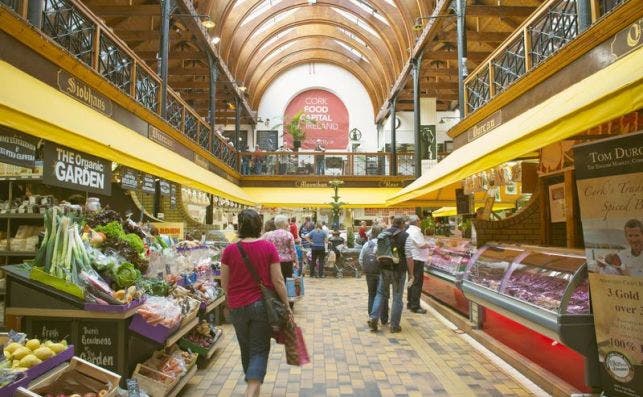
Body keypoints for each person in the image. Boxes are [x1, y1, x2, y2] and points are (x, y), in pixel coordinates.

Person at [220, 209, 291, 397]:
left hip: (236, 307)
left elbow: (224, 284)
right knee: (259, 349)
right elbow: (278, 280)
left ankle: (254, 390)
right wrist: (286, 303)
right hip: (261, 305)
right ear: (259, 225)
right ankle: (251, 392)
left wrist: (230, 301)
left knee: (246, 348)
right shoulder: (268, 248)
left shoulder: (229, 250)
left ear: (239, 226)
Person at [367, 216, 410, 333]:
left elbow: (376, 251)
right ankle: (394, 326)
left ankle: (373, 317)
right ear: (401, 224)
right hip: (399, 270)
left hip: (384, 268)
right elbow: (409, 256)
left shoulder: (383, 234)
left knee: (380, 293)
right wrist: (411, 273)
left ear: (392, 223)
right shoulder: (405, 236)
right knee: (397, 297)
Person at [359, 225, 388, 324]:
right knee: (383, 294)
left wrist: (365, 269)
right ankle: (384, 319)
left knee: (371, 294)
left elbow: (361, 259)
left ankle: (371, 316)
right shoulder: (384, 244)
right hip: (382, 272)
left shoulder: (367, 244)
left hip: (370, 273)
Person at [405, 215, 432, 314]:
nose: (420, 222)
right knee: (417, 282)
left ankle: (410, 302)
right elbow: (421, 245)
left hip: (411, 259)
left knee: (411, 281)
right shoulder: (415, 231)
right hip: (417, 259)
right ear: (416, 221)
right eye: (419, 220)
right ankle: (415, 306)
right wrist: (430, 245)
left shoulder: (408, 231)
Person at [264, 215, 299, 282]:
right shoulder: (288, 235)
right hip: (287, 262)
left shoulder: (270, 235)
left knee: (275, 280)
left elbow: (267, 249)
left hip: (274, 261)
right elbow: (293, 250)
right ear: (285, 223)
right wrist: (296, 262)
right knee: (287, 281)